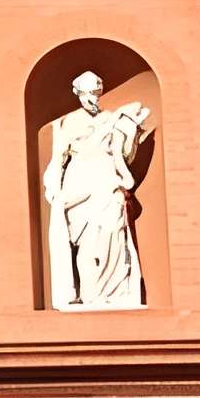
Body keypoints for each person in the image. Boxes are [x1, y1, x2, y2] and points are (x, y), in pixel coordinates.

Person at [42, 69, 151, 309]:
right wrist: (54, 189)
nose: (92, 98)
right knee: (86, 241)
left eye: (95, 93)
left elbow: (123, 155)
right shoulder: (67, 123)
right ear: (77, 93)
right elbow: (58, 158)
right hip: (79, 184)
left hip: (106, 180)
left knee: (111, 231)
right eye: (87, 94)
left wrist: (131, 132)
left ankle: (112, 292)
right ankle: (90, 292)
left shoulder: (110, 119)